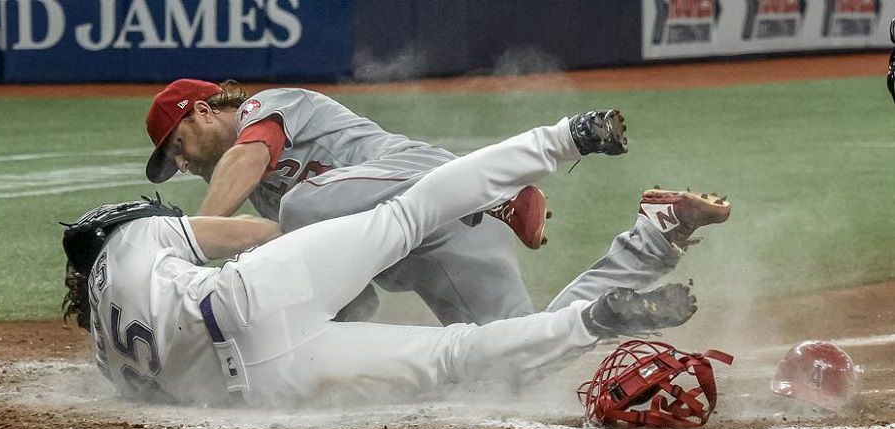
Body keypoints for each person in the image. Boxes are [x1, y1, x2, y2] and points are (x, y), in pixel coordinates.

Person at [63, 116, 727, 408]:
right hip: (249, 297)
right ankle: (563, 138)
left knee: (457, 359)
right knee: (404, 218)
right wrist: (317, 252)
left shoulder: (113, 361)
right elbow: (235, 236)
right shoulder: (133, 238)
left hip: (261, 382)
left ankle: (598, 319)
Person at [143, 79, 628, 325]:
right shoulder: (267, 196)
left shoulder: (265, 106)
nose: (181, 165)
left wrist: (191, 237)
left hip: (434, 187)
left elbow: (249, 158)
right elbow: (354, 294)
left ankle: (498, 194)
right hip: (437, 250)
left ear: (203, 111)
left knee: (298, 213)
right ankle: (643, 254)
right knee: (520, 356)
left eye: (177, 148)